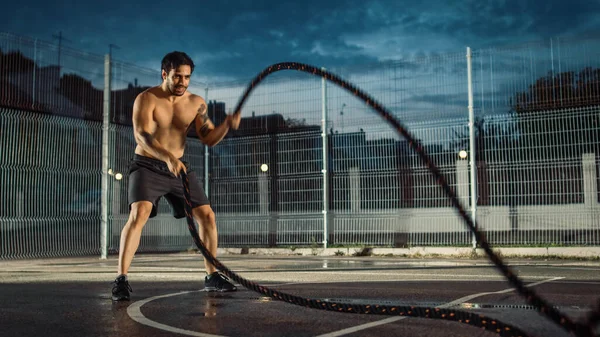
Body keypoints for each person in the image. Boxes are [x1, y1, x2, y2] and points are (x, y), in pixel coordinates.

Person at [111, 51, 241, 301]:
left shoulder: (196, 103)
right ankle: (121, 279)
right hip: (147, 165)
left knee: (207, 216)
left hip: (178, 168)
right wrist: (167, 157)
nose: (182, 82)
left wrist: (226, 126)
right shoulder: (146, 99)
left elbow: (209, 139)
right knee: (139, 213)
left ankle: (211, 276)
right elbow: (142, 136)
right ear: (164, 74)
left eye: (187, 77)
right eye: (177, 77)